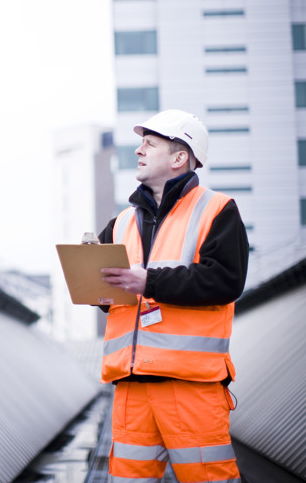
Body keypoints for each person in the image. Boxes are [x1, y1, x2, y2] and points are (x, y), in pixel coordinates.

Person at [97, 109, 248, 482]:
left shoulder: (217, 210)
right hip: (131, 387)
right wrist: (96, 290)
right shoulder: (120, 223)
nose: (138, 150)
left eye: (149, 143)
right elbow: (109, 294)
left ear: (179, 158)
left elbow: (225, 281)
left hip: (190, 387)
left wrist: (148, 282)